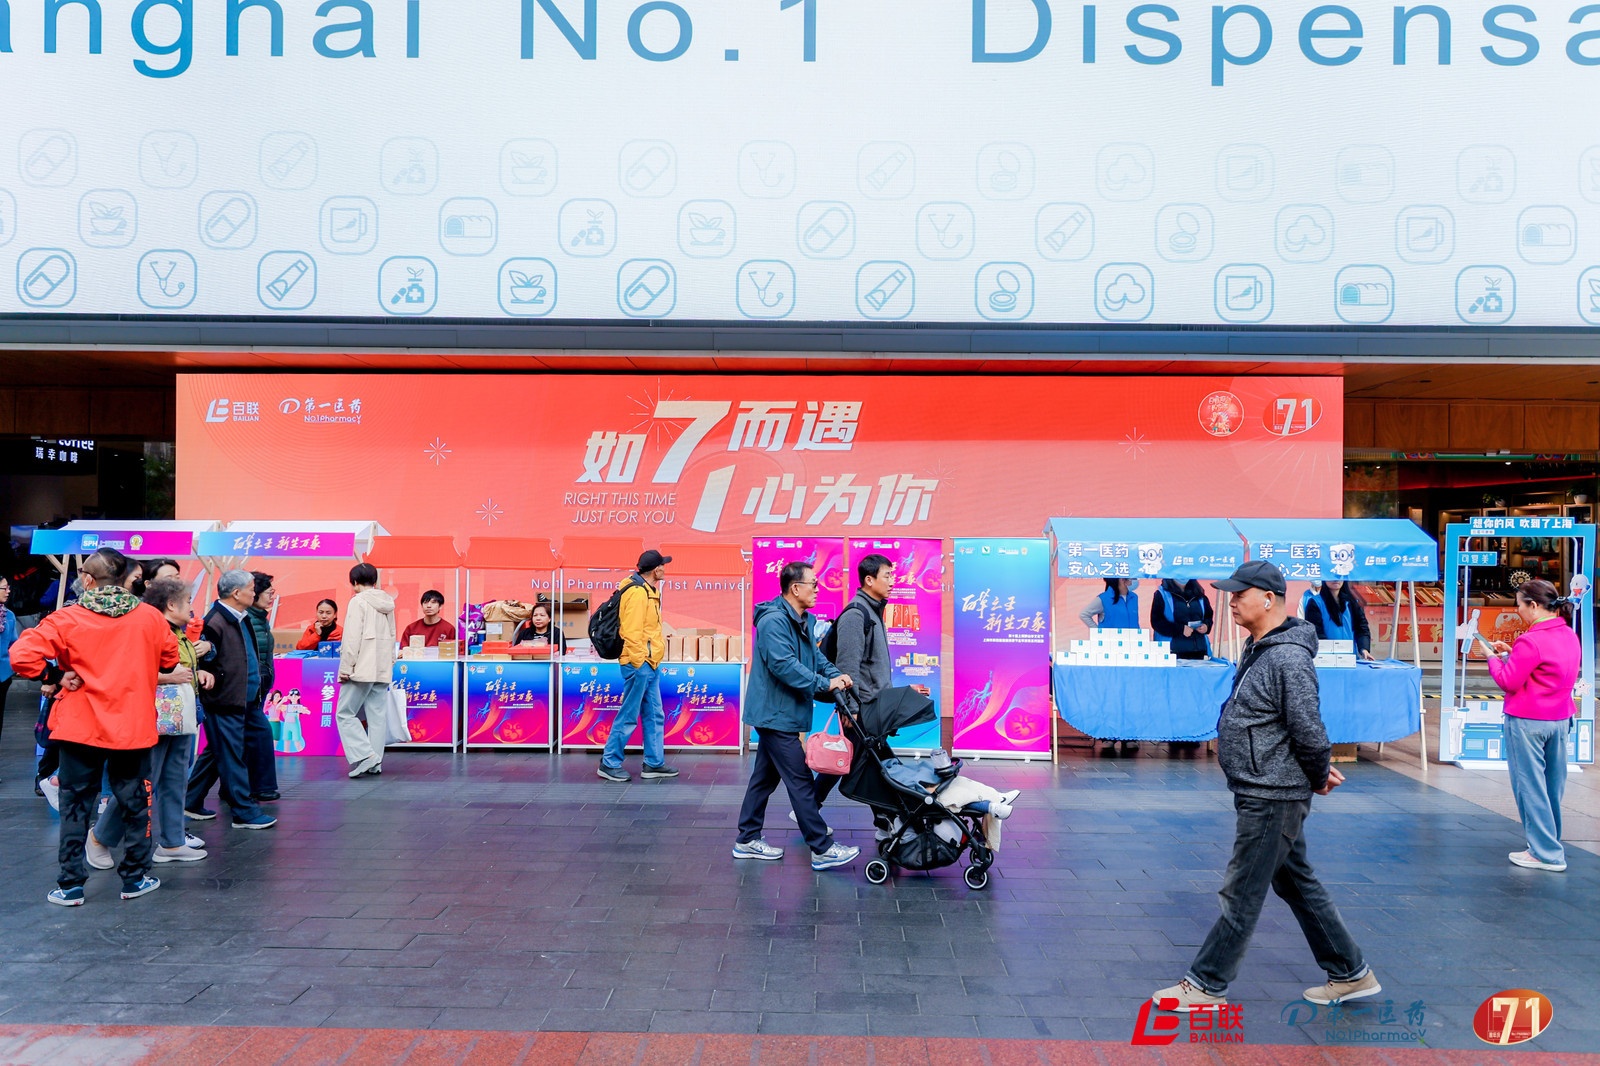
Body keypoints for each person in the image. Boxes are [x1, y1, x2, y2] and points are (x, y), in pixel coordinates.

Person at [1153, 561, 1378, 1012]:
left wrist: (1316, 772)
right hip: (1265, 785)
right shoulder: (1260, 647)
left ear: (1269, 599)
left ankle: (1207, 984)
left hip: (1272, 793)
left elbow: (1308, 728)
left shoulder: (1287, 657)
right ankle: (1351, 973)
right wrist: (1311, 771)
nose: (1231, 602)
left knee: (1242, 891)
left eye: (1241, 594)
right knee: (1297, 884)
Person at [8, 547, 179, 905]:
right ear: (124, 579)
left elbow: (22, 656)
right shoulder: (150, 617)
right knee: (135, 804)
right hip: (132, 727)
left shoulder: (66, 618)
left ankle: (71, 885)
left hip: (79, 726)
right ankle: (134, 878)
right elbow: (169, 661)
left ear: (87, 579)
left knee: (75, 805)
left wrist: (55, 675)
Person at [734, 561, 860, 871]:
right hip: (775, 714)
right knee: (801, 780)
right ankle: (821, 848)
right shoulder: (774, 622)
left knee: (764, 779)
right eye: (813, 584)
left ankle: (747, 839)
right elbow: (784, 666)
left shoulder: (802, 620)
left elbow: (815, 658)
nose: (818, 589)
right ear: (795, 588)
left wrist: (835, 675)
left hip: (783, 713)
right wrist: (824, 684)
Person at [89, 578, 211, 866]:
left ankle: (172, 842)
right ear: (170, 604)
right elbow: (128, 671)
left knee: (175, 779)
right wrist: (169, 677)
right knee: (143, 781)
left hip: (180, 716)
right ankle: (99, 837)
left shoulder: (177, 632)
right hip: (153, 715)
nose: (191, 608)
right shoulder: (147, 630)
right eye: (187, 602)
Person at [1488, 579, 1581, 872]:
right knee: (1552, 787)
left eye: (1519, 604)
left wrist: (1492, 659)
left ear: (1533, 605)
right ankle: (1548, 843)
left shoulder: (1531, 640)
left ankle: (1545, 853)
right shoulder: (1569, 634)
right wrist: (1510, 655)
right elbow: (1544, 670)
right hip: (1560, 718)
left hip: (1528, 720)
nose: (1518, 610)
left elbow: (1508, 681)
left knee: (1530, 787)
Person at [185, 569, 277, 831]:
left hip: (245, 699)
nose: (254, 593)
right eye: (251, 588)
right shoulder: (215, 621)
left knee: (219, 752)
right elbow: (203, 662)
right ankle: (243, 811)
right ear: (237, 593)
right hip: (226, 699)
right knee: (231, 756)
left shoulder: (240, 617)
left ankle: (190, 800)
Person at [811, 553, 894, 823]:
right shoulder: (856, 614)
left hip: (873, 706)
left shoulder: (873, 611)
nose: (892, 581)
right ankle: (883, 821)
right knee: (859, 760)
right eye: (887, 576)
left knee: (859, 760)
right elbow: (847, 667)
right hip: (862, 707)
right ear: (869, 580)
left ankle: (809, 809)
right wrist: (850, 707)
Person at [597, 550, 678, 782]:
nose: (665, 568)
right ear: (656, 569)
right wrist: (640, 661)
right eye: (663, 565)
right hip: (639, 663)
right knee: (629, 714)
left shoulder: (648, 590)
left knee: (654, 714)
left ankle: (654, 763)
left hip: (648, 662)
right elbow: (631, 632)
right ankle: (609, 762)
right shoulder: (637, 592)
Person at [336, 563, 396, 779]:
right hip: (382, 667)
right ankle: (375, 761)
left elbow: (352, 639)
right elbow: (392, 634)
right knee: (377, 715)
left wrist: (346, 667)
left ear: (354, 582)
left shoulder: (358, 601)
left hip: (361, 667)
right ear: (374, 580)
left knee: (344, 713)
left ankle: (365, 755)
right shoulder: (387, 602)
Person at [1081, 577, 1142, 754]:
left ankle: (1129, 735)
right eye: (1128, 576)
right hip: (1110, 652)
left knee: (1130, 694)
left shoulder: (1134, 598)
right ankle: (1108, 735)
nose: (1132, 579)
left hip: (1132, 652)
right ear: (1119, 579)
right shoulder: (1103, 599)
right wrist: (1099, 633)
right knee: (1110, 693)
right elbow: (1084, 614)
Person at [244, 572, 281, 801]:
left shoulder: (260, 618)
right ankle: (262, 787)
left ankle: (237, 787)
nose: (272, 597)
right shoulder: (247, 619)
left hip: (258, 688)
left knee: (240, 740)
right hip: (249, 689)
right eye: (269, 592)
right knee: (261, 733)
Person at [1303, 580, 1374, 660]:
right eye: (1332, 576)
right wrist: (1330, 653)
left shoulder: (1351, 602)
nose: (1336, 580)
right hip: (1327, 660)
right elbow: (1316, 633)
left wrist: (1364, 649)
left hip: (1350, 659)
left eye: (1339, 576)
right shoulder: (1315, 602)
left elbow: (1362, 628)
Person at [1151, 578, 1214, 660]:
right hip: (1172, 651)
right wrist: (1180, 629)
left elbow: (1208, 616)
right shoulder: (1162, 594)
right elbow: (1157, 622)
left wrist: (1206, 626)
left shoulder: (1199, 594)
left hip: (1199, 650)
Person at [0, 575, 18, 751]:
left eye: (8, 588)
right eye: (4, 588)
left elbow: (14, 644)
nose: (8, 591)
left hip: (2, 676)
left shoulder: (9, 615)